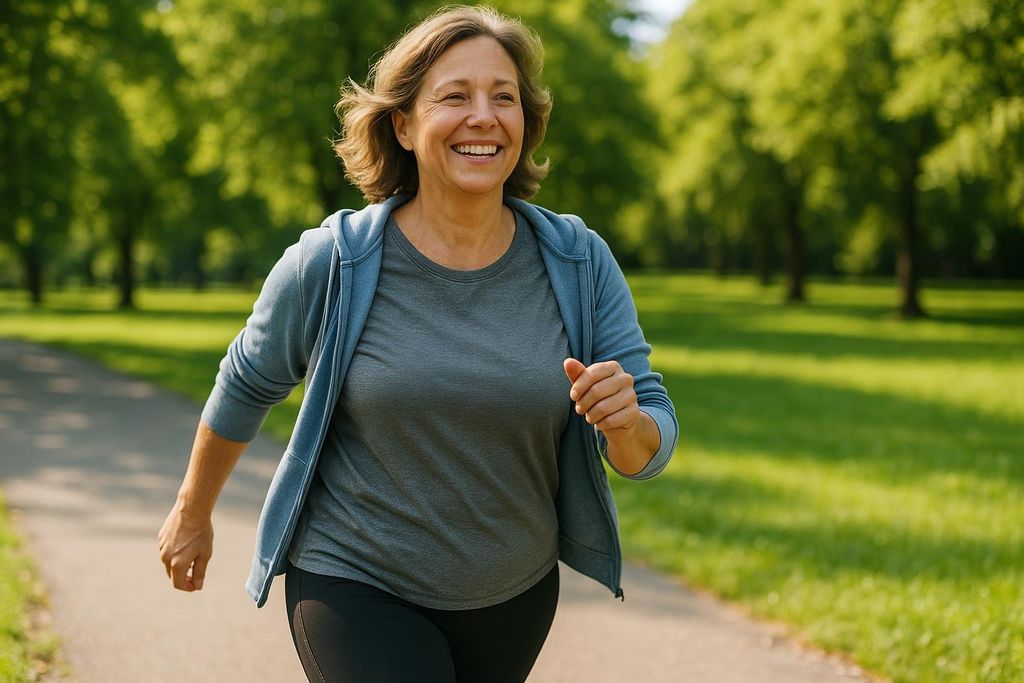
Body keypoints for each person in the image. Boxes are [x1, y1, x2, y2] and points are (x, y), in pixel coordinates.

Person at [158, 5, 678, 682]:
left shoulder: (577, 260)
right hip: (354, 577)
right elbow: (247, 381)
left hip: (513, 594)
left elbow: (651, 441)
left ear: (526, 121)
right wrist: (191, 512)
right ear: (402, 124)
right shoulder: (334, 261)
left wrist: (627, 422)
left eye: (504, 97)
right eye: (454, 96)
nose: (484, 116)